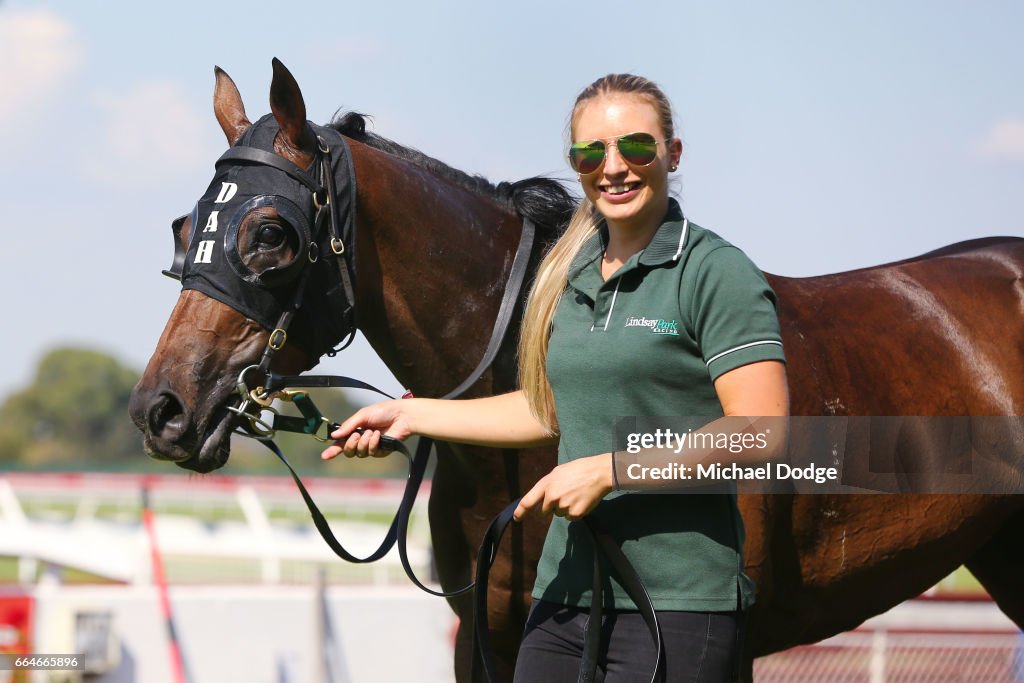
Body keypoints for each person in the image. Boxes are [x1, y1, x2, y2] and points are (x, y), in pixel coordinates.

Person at [322, 73, 789, 683]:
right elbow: (548, 409)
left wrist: (613, 470)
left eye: (636, 147)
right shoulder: (570, 276)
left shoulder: (714, 271)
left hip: (678, 605)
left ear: (673, 155)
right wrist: (411, 415)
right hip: (563, 597)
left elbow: (765, 432)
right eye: (591, 153)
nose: (613, 167)